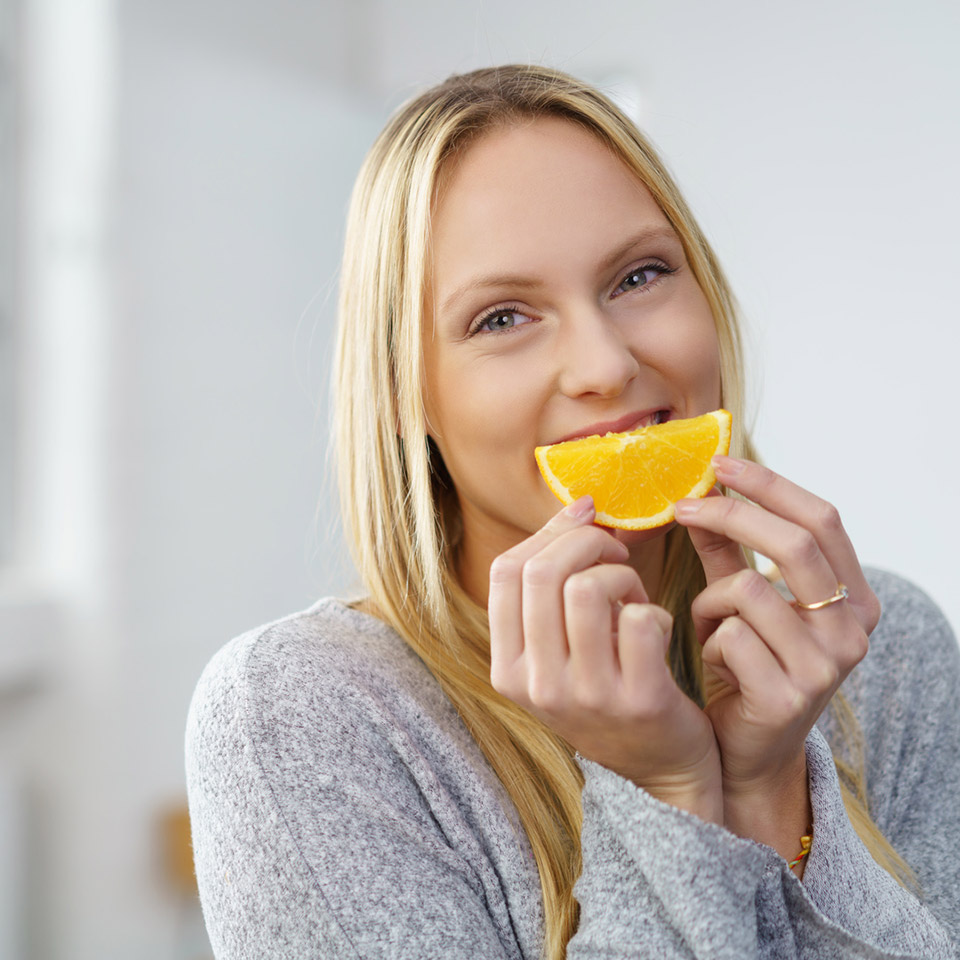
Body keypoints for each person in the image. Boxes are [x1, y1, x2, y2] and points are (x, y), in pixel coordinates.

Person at [185, 65, 960, 959]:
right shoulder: (304, 714)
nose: (602, 364)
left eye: (638, 276)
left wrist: (774, 785)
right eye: (503, 318)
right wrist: (666, 792)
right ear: (408, 399)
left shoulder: (881, 654)